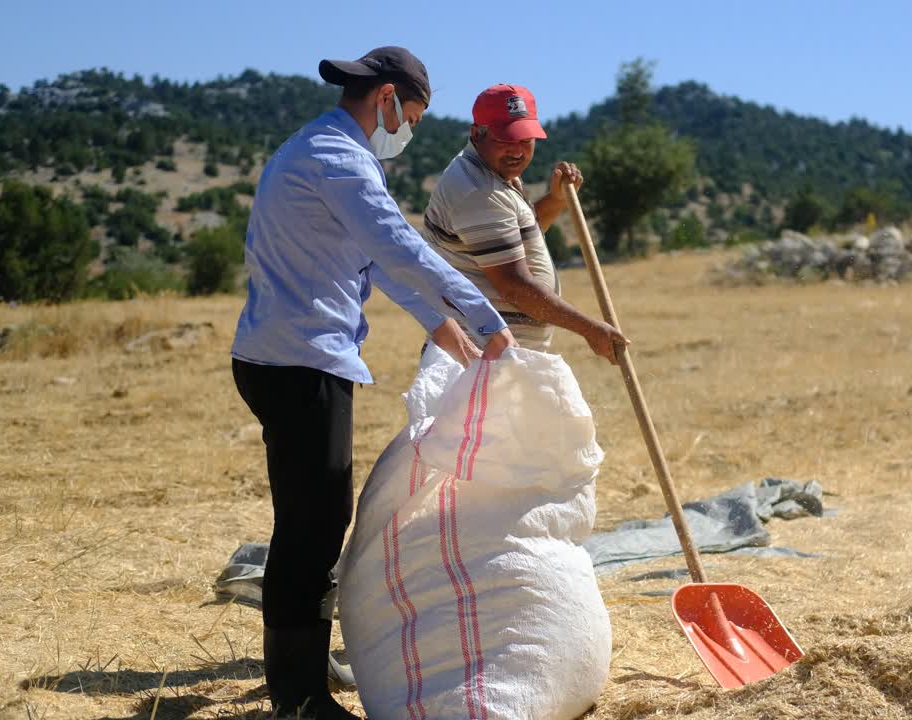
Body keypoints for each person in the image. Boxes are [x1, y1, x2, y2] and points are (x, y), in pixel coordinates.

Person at [230, 47, 516, 719]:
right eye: (410, 115)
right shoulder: (340, 159)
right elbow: (397, 245)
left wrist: (440, 325)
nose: (407, 129)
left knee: (315, 517)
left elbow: (373, 257)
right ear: (385, 98)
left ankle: (303, 677)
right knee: (313, 524)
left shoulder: (321, 148)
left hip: (285, 354)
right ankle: (299, 698)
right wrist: (482, 315)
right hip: (299, 360)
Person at [422, 84, 628, 361]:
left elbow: (510, 243)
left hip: (499, 357)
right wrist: (589, 329)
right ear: (476, 133)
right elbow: (514, 286)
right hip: (479, 360)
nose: (517, 151)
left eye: (525, 139)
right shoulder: (479, 190)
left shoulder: (494, 175)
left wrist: (555, 200)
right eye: (506, 139)